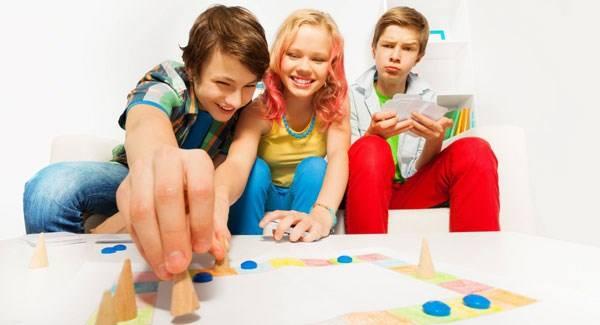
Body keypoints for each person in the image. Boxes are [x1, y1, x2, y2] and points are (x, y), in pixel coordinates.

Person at [22, 5, 270, 279]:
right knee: (50, 190)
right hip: (130, 173)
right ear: (193, 68)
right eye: (223, 84)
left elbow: (234, 165)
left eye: (248, 85)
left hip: (201, 188)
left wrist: (217, 197)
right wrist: (156, 163)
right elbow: (145, 120)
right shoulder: (170, 80)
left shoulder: (251, 103)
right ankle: (64, 282)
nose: (235, 100)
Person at [345, 6, 500, 234]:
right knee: (371, 147)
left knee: (476, 150)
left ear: (419, 57)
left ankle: (477, 257)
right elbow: (341, 164)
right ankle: (368, 257)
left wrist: (434, 141)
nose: (395, 56)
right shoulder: (349, 95)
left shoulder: (427, 96)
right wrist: (372, 136)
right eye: (388, 45)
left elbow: (418, 170)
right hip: (366, 193)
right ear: (374, 49)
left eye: (407, 49)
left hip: (409, 190)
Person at [214, 9, 349, 242]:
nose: (305, 67)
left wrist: (323, 213)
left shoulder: (335, 106)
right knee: (256, 169)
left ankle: (304, 235)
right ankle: (248, 243)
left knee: (316, 167)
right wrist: (218, 199)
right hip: (260, 198)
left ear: (331, 66)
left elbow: (339, 157)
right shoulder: (259, 110)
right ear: (278, 58)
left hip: (303, 199)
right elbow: (236, 162)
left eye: (317, 59)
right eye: (294, 55)